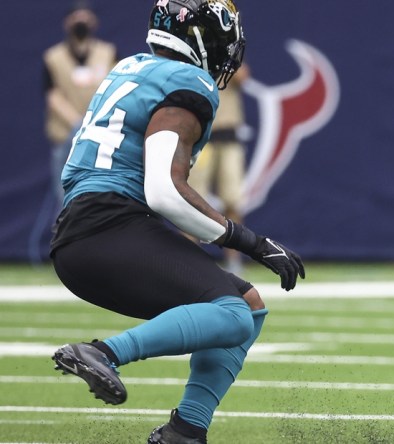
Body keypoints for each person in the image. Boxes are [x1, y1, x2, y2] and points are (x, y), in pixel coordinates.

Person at [49, 1, 304, 443]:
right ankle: (102, 353)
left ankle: (186, 430)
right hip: (107, 227)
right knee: (234, 315)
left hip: (89, 229)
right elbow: (165, 190)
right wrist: (252, 242)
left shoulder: (131, 66)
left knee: (249, 303)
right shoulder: (190, 80)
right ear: (203, 38)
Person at [43, 0, 116, 206]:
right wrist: (78, 123)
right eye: (76, 17)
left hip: (101, 139)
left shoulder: (108, 53)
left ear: (94, 22)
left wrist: (93, 122)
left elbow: (116, 89)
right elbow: (53, 95)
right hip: (66, 138)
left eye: (85, 16)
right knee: (65, 199)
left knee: (100, 198)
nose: (81, 21)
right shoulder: (53, 57)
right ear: (67, 22)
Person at [188, 63, 251, 275]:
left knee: (232, 200)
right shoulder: (192, 59)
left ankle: (234, 261)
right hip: (201, 137)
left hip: (228, 135)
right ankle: (189, 258)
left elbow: (243, 77)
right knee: (191, 200)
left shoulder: (227, 58)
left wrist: (224, 61)